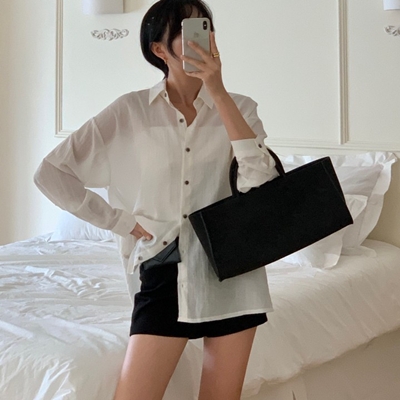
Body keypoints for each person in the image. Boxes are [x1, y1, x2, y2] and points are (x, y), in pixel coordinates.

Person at [34, 0, 279, 399]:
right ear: (159, 49)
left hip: (234, 270)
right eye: (187, 31)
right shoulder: (130, 111)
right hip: (164, 267)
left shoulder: (241, 108)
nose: (202, 39)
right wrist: (120, 222)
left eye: (206, 28)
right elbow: (51, 173)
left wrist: (218, 92)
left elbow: (261, 183)